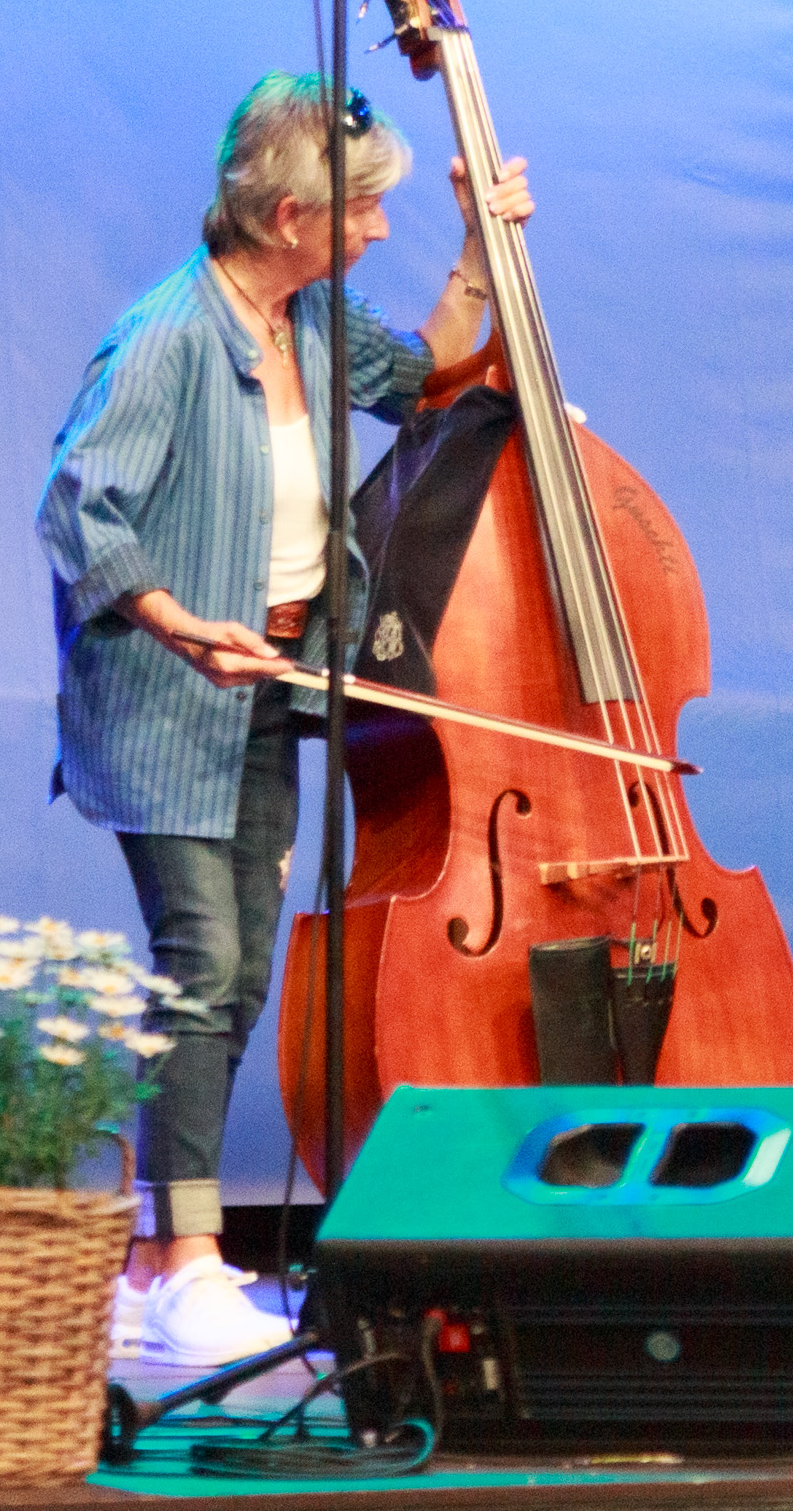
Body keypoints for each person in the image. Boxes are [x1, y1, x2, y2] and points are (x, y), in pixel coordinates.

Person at [37, 73, 530, 1366]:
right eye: (362, 209)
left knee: (243, 968)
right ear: (287, 213)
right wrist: (180, 622)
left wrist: (482, 251)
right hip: (168, 698)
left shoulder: (308, 318)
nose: (375, 231)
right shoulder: (166, 337)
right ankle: (177, 1260)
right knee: (202, 960)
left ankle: (170, 1254)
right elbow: (81, 512)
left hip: (268, 691)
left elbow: (422, 377)